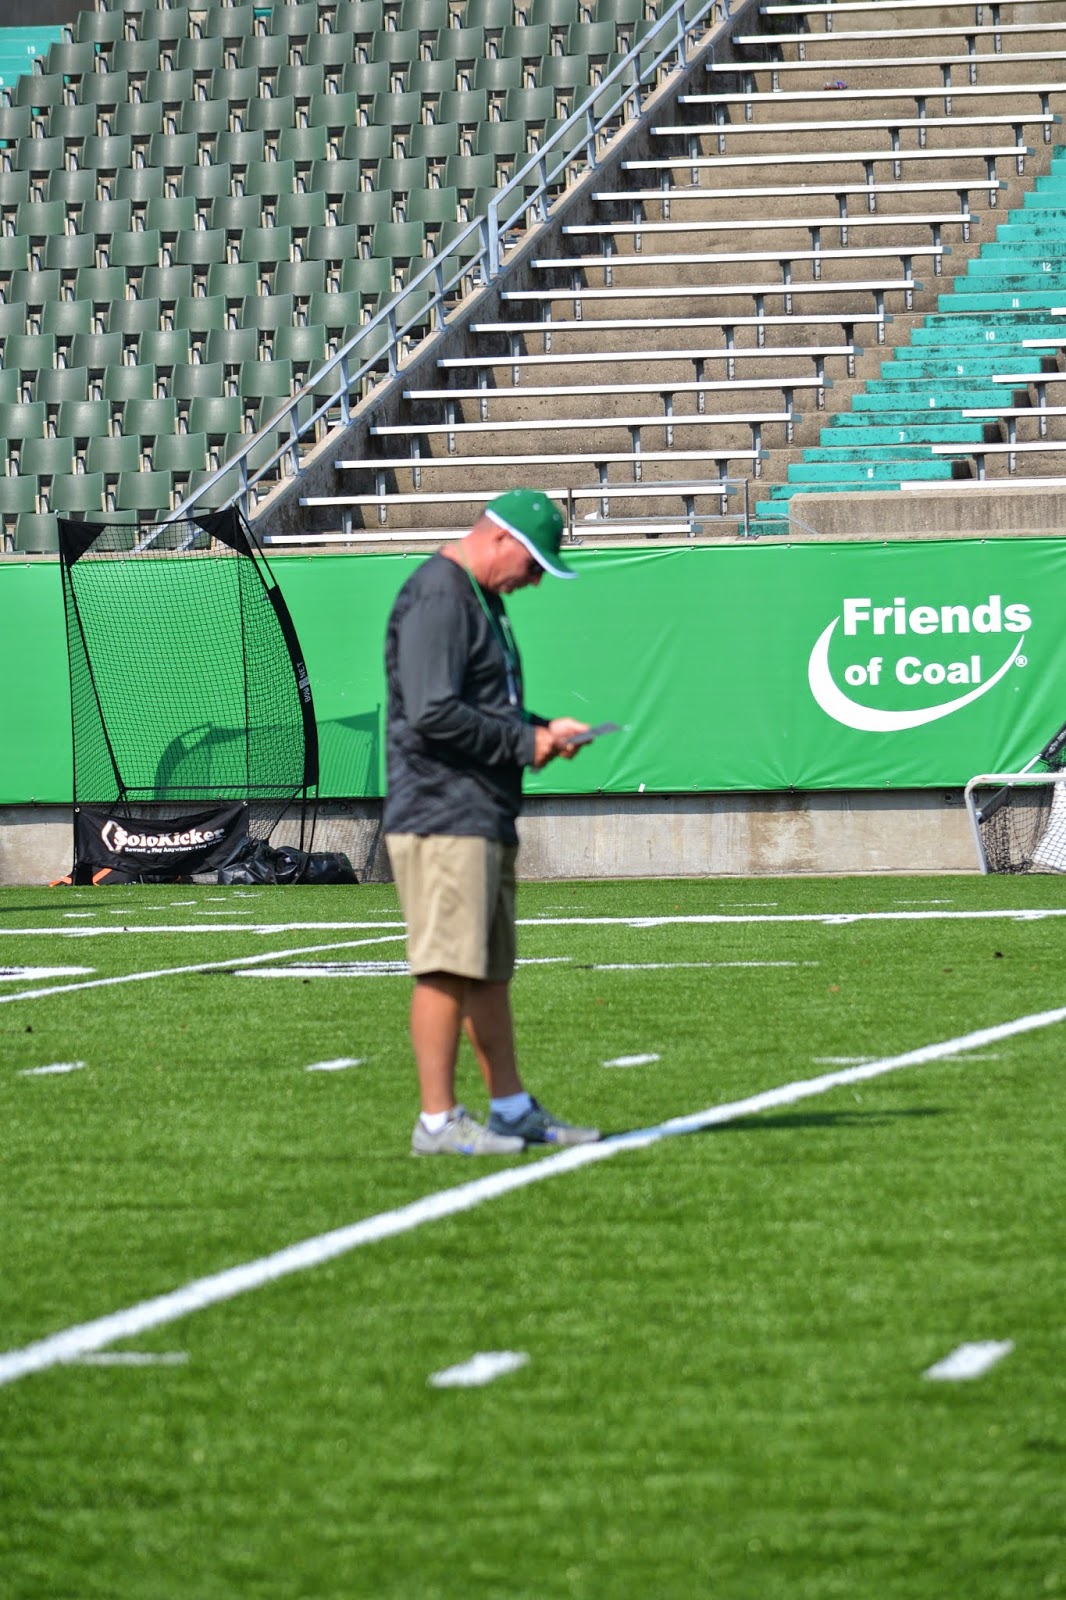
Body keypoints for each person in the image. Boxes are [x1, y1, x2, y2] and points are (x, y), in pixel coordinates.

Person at [383, 488, 602, 1156]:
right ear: (502, 538)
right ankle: (436, 1121)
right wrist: (522, 742)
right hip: (442, 812)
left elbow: (478, 707)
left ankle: (508, 1108)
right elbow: (432, 712)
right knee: (447, 967)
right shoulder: (441, 595)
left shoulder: (478, 598)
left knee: (487, 970)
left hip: (478, 810)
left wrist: (542, 729)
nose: (534, 581)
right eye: (534, 565)